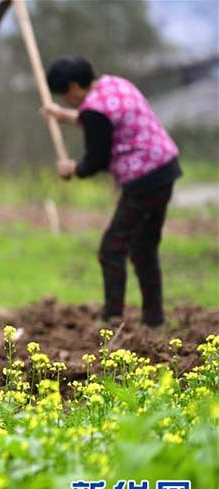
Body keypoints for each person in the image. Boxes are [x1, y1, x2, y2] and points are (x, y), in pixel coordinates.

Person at [45, 56, 182, 327]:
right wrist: (69, 117)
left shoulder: (93, 111)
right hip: (165, 169)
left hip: (143, 180)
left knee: (112, 249)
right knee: (144, 248)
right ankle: (154, 320)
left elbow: (97, 158)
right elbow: (109, 122)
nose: (67, 101)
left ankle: (112, 319)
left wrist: (73, 169)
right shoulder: (114, 84)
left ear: (74, 87)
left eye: (64, 96)